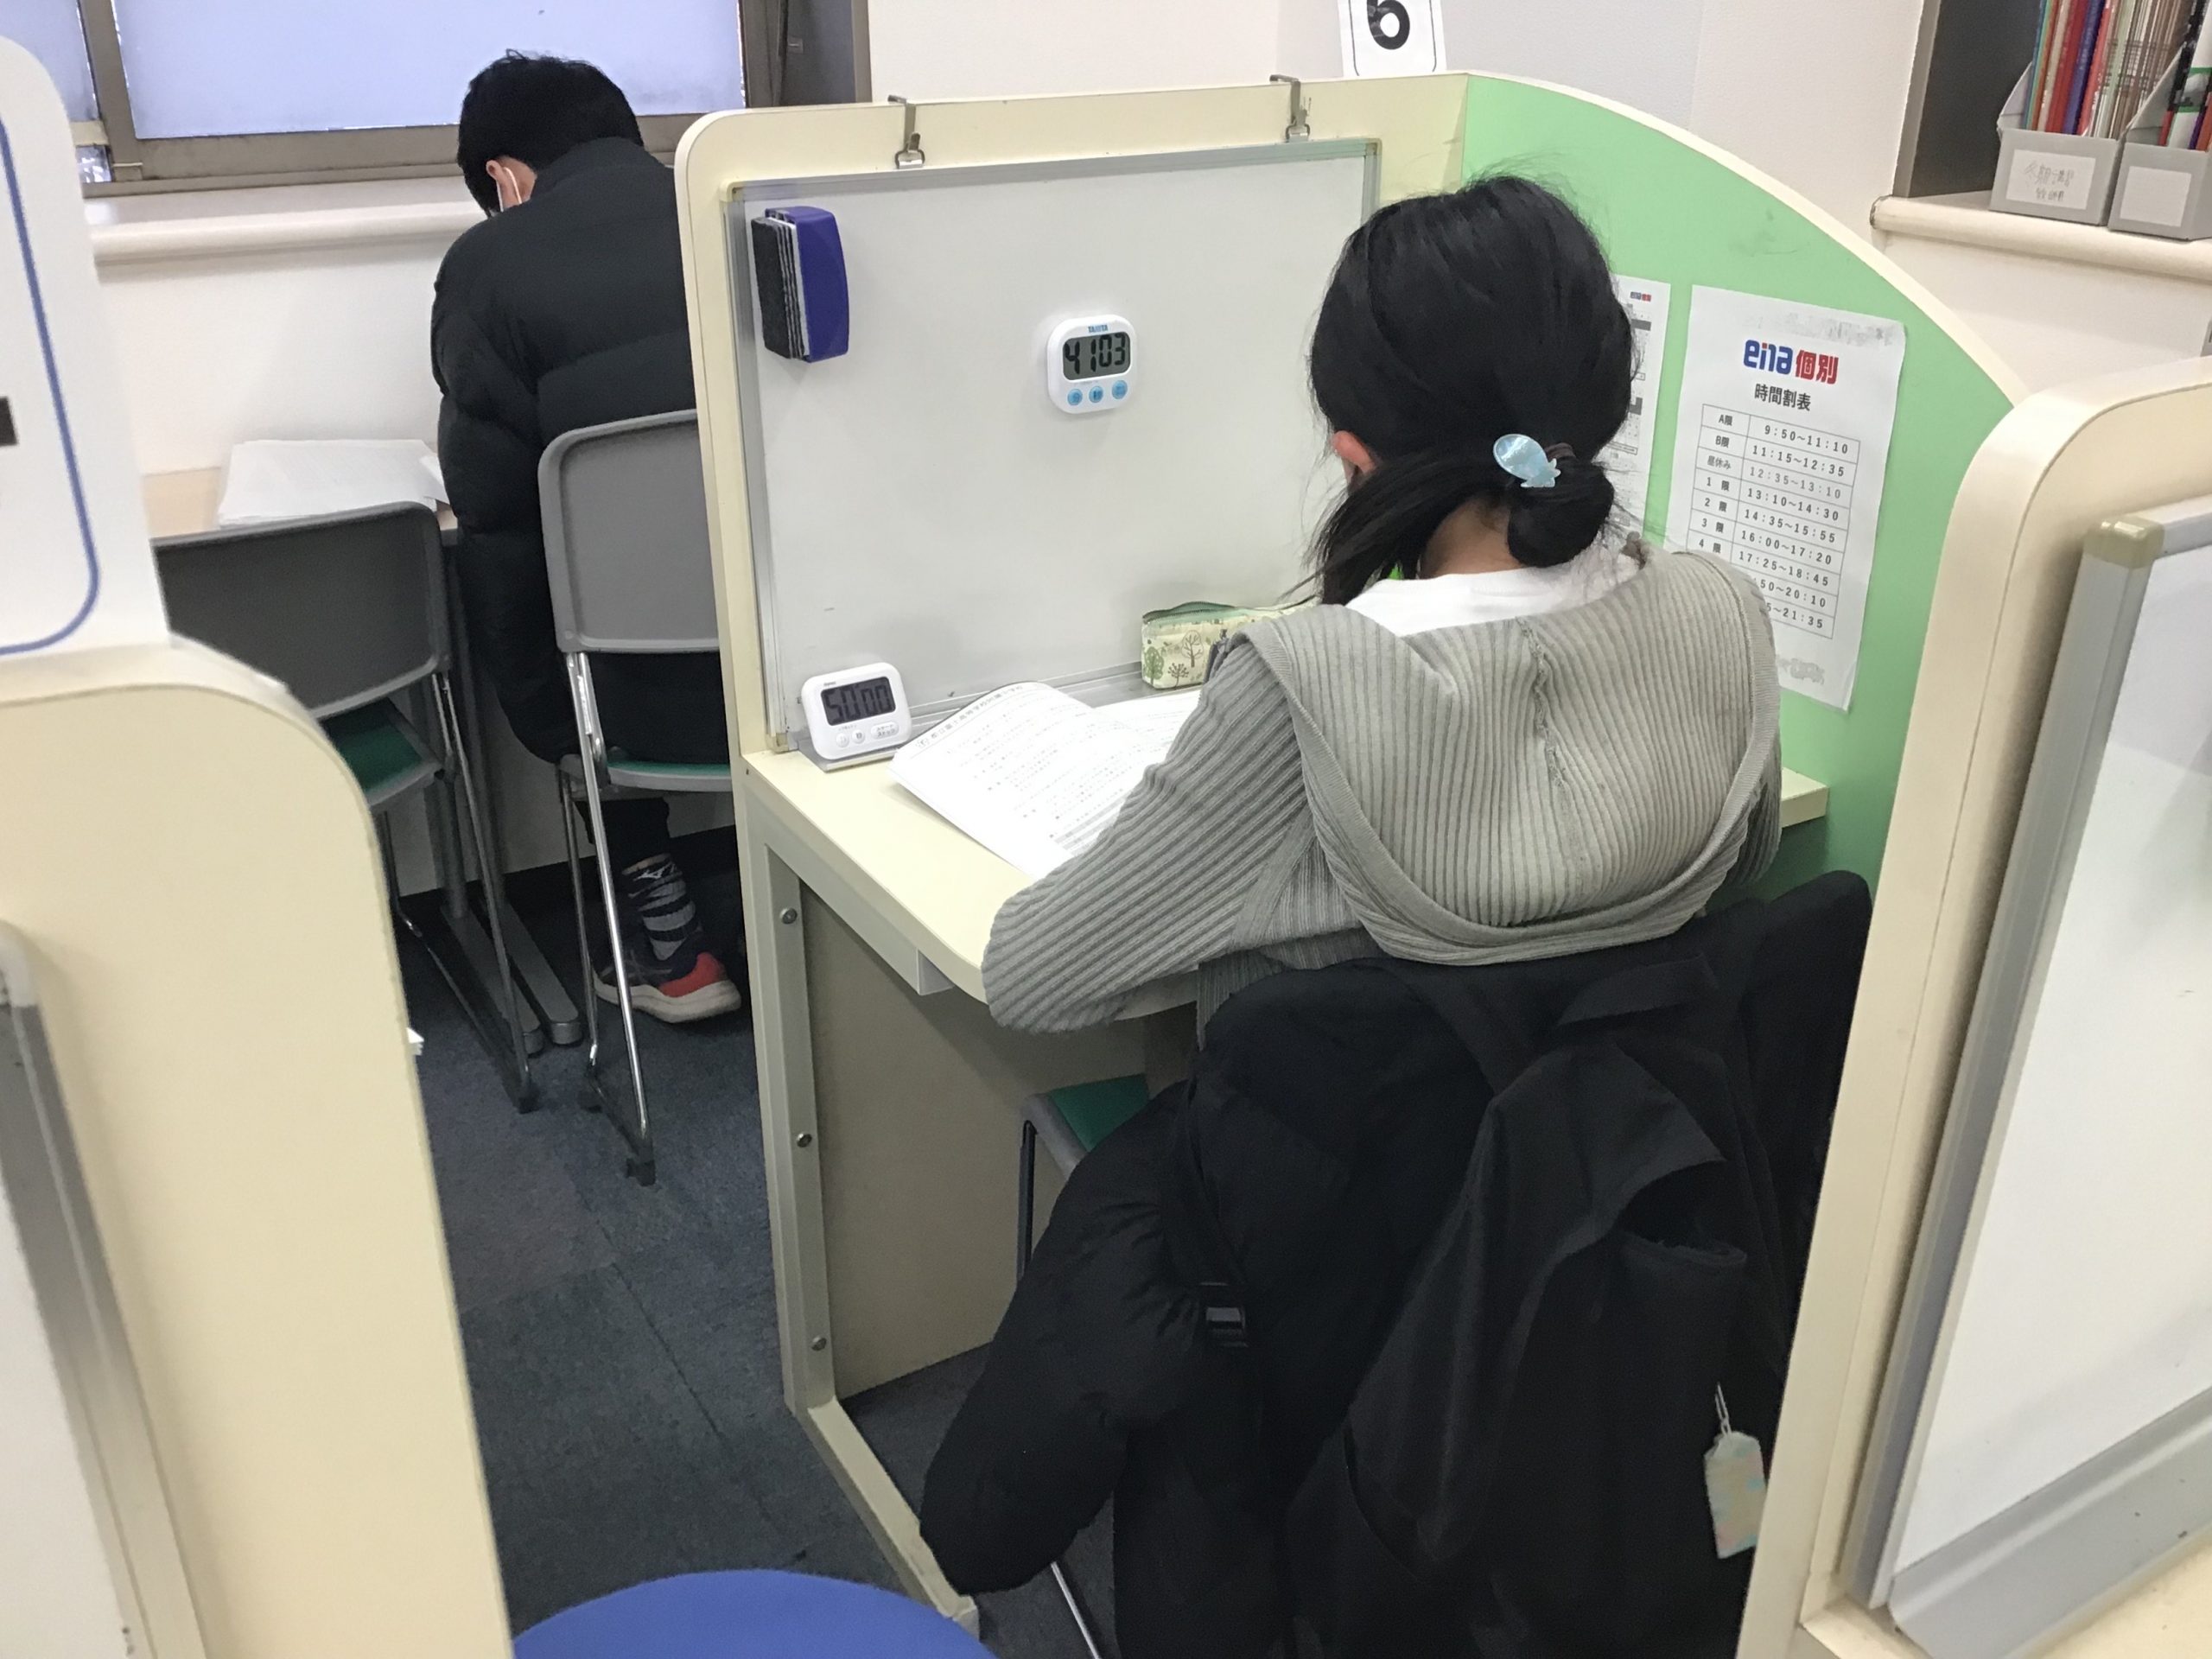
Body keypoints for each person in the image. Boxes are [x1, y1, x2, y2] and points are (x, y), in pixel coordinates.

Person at [982, 175, 1782, 1035]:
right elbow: (1745, 862)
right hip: (1634, 1113)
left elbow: (1033, 977)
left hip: (1339, 1124)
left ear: (1355, 457)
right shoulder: (1721, 615)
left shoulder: (1300, 693)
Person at [434, 54, 741, 1024]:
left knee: (565, 638)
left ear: (504, 177)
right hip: (808, 670)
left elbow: (499, 532)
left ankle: (673, 950)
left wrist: (547, 726)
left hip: (630, 707)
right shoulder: (745, 207)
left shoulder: (485, 271)